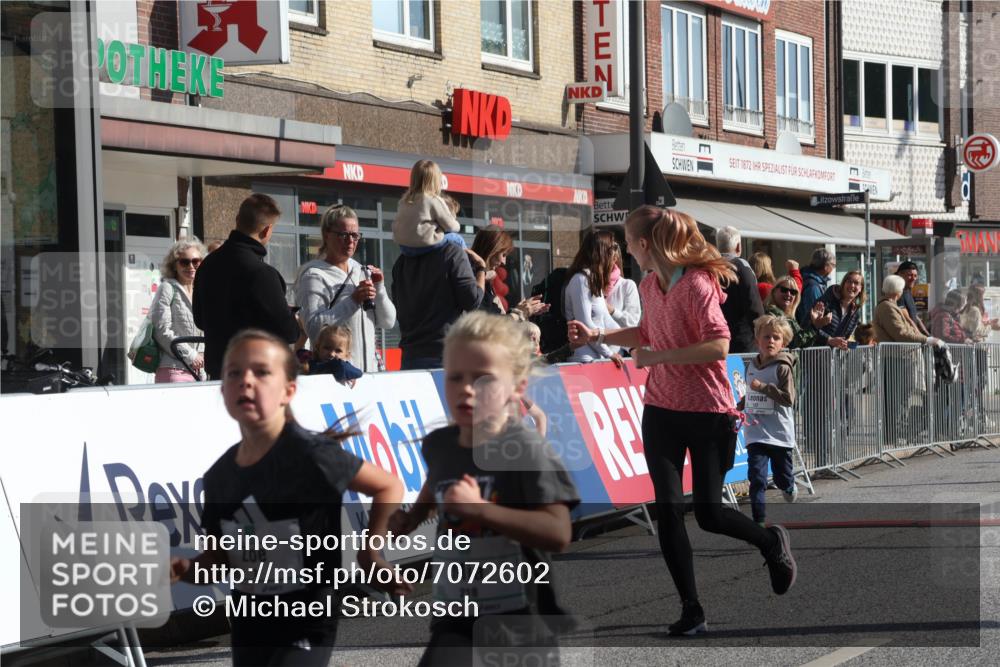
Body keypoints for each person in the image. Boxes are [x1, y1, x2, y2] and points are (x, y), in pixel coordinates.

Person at [568, 206, 796, 636]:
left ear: (644, 245)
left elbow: (717, 345)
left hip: (707, 411)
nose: (629, 255)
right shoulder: (651, 286)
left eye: (630, 245)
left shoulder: (697, 283)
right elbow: (646, 332)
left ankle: (770, 543)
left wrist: (659, 357)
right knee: (668, 510)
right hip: (661, 410)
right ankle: (692, 609)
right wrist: (597, 335)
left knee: (709, 514)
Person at [169, 329, 410, 666]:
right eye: (234, 373)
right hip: (250, 626)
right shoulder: (220, 476)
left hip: (306, 621)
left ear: (289, 390)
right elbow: (220, 560)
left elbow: (388, 486)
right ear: (222, 390)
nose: (246, 381)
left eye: (261, 372)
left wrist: (370, 552)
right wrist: (184, 568)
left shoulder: (310, 454)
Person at [387, 312, 579, 665]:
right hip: (455, 611)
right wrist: (413, 516)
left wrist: (481, 510)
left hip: (517, 619)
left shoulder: (525, 448)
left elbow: (558, 532)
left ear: (517, 387)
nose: (466, 389)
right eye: (455, 377)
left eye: (483, 379)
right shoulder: (440, 445)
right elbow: (438, 479)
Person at [193, 193, 300, 380]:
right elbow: (289, 332)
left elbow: (200, 320)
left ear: (237, 220)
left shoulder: (207, 265)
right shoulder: (262, 273)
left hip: (218, 372)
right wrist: (291, 316)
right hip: (254, 375)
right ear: (267, 230)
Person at [296, 205, 396, 373]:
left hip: (368, 376)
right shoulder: (314, 276)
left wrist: (379, 288)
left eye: (355, 235)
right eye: (343, 235)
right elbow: (313, 329)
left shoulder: (361, 271)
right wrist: (353, 300)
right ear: (327, 235)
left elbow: (388, 322)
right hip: (335, 377)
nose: (350, 241)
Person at [392, 229, 485, 371]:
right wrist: (481, 269)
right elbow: (473, 300)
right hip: (444, 354)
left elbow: (398, 307)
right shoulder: (452, 253)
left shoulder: (401, 262)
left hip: (411, 355)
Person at [739, 315, 798, 528]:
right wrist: (738, 406)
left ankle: (789, 486)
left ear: (784, 343)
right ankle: (759, 521)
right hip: (756, 432)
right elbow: (750, 393)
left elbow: (788, 399)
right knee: (757, 478)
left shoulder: (783, 367)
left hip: (780, 433)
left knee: (782, 477)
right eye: (766, 337)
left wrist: (763, 387)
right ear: (758, 340)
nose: (771, 341)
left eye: (776, 337)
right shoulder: (752, 365)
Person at [151, 239, 207, 382]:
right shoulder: (167, 288)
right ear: (174, 265)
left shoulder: (202, 290)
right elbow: (162, 331)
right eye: (184, 262)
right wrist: (191, 356)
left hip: (200, 373)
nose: (191, 266)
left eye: (196, 261)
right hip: (174, 370)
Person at [563, 230, 623, 363]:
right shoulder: (581, 280)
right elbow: (584, 324)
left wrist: (629, 346)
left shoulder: (593, 280)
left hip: (600, 355)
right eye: (613, 247)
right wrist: (609, 353)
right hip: (584, 358)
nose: (616, 252)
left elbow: (607, 320)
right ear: (601, 251)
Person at [470, 225, 548, 320]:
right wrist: (520, 313)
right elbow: (488, 324)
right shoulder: (472, 278)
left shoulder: (481, 279)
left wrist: (520, 310)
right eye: (503, 254)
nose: (504, 262)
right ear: (492, 250)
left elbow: (494, 317)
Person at [391, 160, 465, 256]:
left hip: (404, 247)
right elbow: (452, 227)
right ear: (436, 180)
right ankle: (471, 267)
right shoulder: (433, 200)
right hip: (424, 246)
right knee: (457, 238)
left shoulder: (404, 200)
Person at [714, 226, 764, 353]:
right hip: (741, 342)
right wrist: (763, 333)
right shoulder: (741, 266)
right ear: (738, 247)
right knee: (740, 373)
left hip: (714, 341)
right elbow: (754, 305)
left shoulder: (708, 267)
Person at [764, 274, 827, 349]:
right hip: (781, 360)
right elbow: (791, 342)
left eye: (793, 292)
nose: (788, 294)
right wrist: (813, 327)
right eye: (784, 290)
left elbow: (803, 344)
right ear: (774, 291)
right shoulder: (773, 313)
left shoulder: (790, 316)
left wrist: (815, 324)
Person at [814, 271, 865, 349]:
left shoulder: (855, 313)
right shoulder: (826, 301)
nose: (852, 285)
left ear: (861, 288)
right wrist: (828, 340)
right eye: (849, 281)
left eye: (856, 283)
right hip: (811, 357)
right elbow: (808, 326)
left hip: (831, 359)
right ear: (844, 284)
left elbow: (845, 338)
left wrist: (845, 344)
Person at [796, 248, 836, 329]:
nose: (833, 268)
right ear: (826, 266)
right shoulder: (813, 286)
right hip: (810, 334)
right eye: (833, 265)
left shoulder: (807, 279)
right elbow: (813, 315)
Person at [606, 244, 642, 330]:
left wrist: (611, 310)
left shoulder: (627, 285)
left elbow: (633, 322)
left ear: (614, 259)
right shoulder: (587, 284)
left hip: (618, 343)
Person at [896, 261, 931, 336]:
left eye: (915, 276)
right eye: (910, 275)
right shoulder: (898, 293)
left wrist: (928, 335)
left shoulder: (908, 291)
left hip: (913, 339)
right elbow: (908, 319)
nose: (913, 278)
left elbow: (915, 317)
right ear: (900, 275)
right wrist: (921, 336)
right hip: (906, 340)